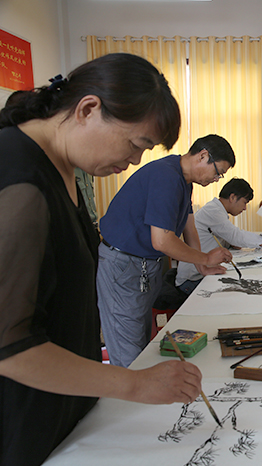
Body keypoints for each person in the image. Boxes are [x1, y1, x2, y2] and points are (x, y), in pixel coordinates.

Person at [0, 53, 202, 466]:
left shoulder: (64, 167)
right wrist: (134, 384)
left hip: (65, 409)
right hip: (22, 422)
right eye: (135, 145)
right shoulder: (17, 174)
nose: (134, 161)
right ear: (88, 110)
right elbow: (10, 346)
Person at [97, 134, 235, 368]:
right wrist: (205, 257)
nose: (216, 179)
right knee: (128, 351)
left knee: (140, 344)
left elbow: (188, 225)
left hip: (144, 265)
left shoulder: (184, 181)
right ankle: (128, 390)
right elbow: (162, 240)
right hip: (123, 264)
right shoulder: (166, 176)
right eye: (218, 172)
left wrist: (202, 265)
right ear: (203, 156)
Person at [176, 177, 262, 294]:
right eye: (244, 202)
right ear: (232, 197)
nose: (245, 208)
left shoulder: (217, 210)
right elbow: (237, 236)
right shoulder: (213, 211)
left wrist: (230, 243)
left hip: (200, 273)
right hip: (192, 279)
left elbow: (228, 237)